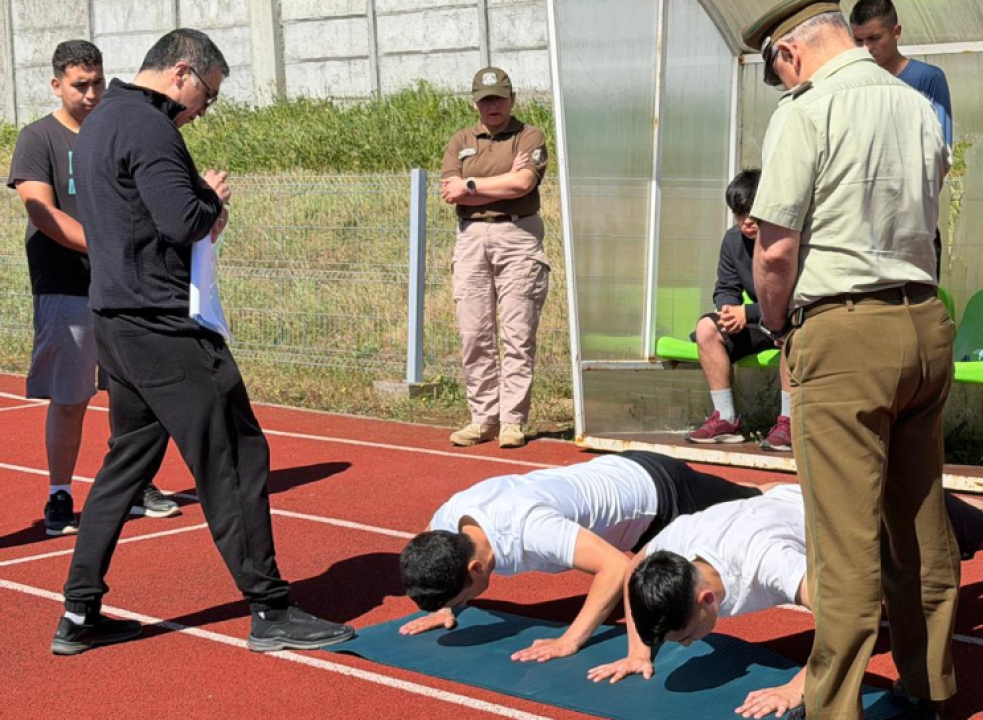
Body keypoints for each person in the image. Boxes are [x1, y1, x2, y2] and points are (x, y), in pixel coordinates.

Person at [54, 29, 354, 656]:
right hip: (164, 325)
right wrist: (211, 201)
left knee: (125, 466)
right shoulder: (147, 126)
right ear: (183, 72)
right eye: (207, 97)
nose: (202, 111)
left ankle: (78, 614)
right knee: (238, 459)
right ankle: (271, 611)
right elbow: (180, 220)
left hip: (115, 318)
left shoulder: (102, 120)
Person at [742, 3, 955, 717]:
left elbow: (774, 249)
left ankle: (832, 703)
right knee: (920, 522)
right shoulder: (916, 102)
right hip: (923, 318)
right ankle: (929, 684)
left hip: (843, 328)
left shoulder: (804, 112)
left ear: (789, 55)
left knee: (842, 537)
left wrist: (778, 327)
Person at [587, 486, 983, 719]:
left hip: (863, 512)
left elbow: (847, 616)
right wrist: (639, 652)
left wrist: (797, 688)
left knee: (982, 530)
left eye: (687, 634)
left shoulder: (767, 562)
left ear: (704, 598)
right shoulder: (674, 550)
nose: (690, 643)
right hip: (806, 512)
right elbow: (636, 570)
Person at [7, 40, 179, 537]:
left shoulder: (115, 130)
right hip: (67, 285)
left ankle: (134, 484)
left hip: (126, 284)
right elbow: (41, 210)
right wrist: (106, 248)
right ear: (56, 84)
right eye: (80, 85)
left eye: (98, 82)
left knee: (134, 395)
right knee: (71, 396)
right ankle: (60, 492)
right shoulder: (38, 138)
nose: (91, 93)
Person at [397, 451, 768, 662]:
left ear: (475, 568)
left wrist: (570, 640)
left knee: (757, 505)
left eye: (463, 596)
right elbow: (427, 541)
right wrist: (444, 605)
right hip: (617, 474)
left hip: (661, 492)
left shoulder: (528, 527)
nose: (464, 603)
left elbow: (617, 567)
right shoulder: (448, 521)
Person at [441, 66, 551, 450]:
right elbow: (451, 193)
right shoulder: (461, 140)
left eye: (499, 98)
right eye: (485, 99)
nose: (493, 105)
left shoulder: (529, 136)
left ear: (512, 99)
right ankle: (483, 418)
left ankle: (512, 421)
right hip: (471, 237)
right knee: (474, 334)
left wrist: (471, 185)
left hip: (517, 235)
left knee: (518, 334)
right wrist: (497, 185)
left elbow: (523, 183)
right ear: (475, 103)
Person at [687, 170, 792, 452]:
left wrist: (750, 313)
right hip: (760, 323)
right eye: (739, 213)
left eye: (752, 212)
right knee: (707, 328)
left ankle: (789, 422)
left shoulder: (789, 238)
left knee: (792, 334)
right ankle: (725, 419)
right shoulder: (732, 241)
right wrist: (728, 310)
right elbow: (725, 286)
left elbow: (797, 295)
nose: (746, 220)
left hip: (791, 319)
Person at [848, 0, 952, 280]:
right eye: (857, 41)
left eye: (874, 38)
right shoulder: (852, 85)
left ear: (896, 32)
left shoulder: (928, 80)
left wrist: (913, 208)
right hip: (862, 228)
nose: (866, 48)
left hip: (913, 227)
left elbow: (939, 157)